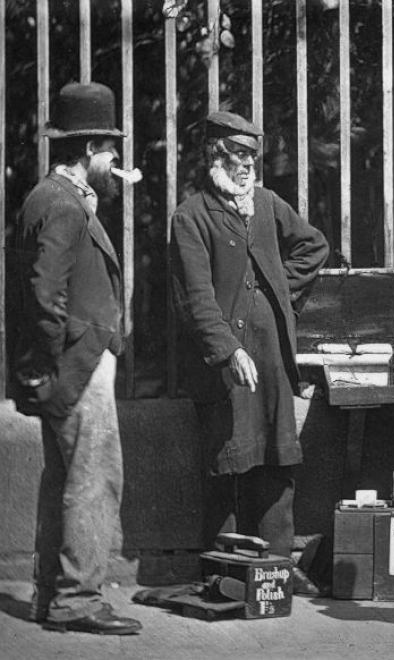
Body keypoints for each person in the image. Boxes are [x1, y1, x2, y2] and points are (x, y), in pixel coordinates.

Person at [11, 82, 142, 635]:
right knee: (93, 480)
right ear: (89, 151)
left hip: (65, 363)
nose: (116, 164)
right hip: (78, 364)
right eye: (111, 152)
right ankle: (78, 601)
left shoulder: (45, 197)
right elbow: (45, 294)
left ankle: (53, 596)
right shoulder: (63, 205)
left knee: (62, 479)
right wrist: (55, 358)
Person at [170, 111, 329, 562]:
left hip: (272, 357)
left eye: (252, 157)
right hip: (224, 369)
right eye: (237, 155)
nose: (247, 165)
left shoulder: (266, 203)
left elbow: (313, 246)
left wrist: (277, 290)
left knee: (277, 463)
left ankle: (274, 569)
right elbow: (195, 300)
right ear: (215, 156)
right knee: (227, 465)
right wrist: (228, 349)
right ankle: (224, 572)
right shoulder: (190, 217)